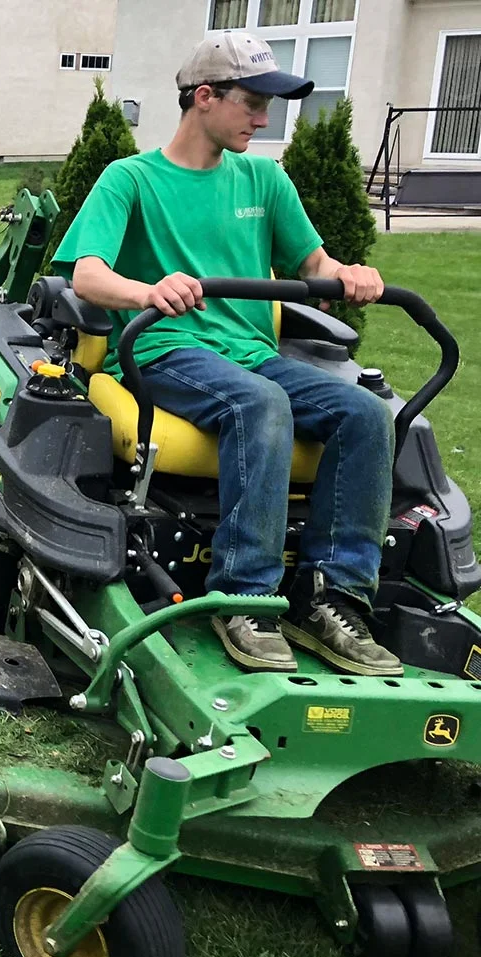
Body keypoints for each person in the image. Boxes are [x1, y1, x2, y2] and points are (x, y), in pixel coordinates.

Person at [52, 31, 401, 677]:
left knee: (365, 414)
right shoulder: (129, 178)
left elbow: (313, 261)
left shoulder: (265, 179)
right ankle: (244, 596)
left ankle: (336, 600)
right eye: (252, 103)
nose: (264, 119)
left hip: (250, 350)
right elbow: (88, 276)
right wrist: (148, 289)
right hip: (165, 347)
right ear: (205, 97)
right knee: (259, 404)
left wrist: (346, 272)